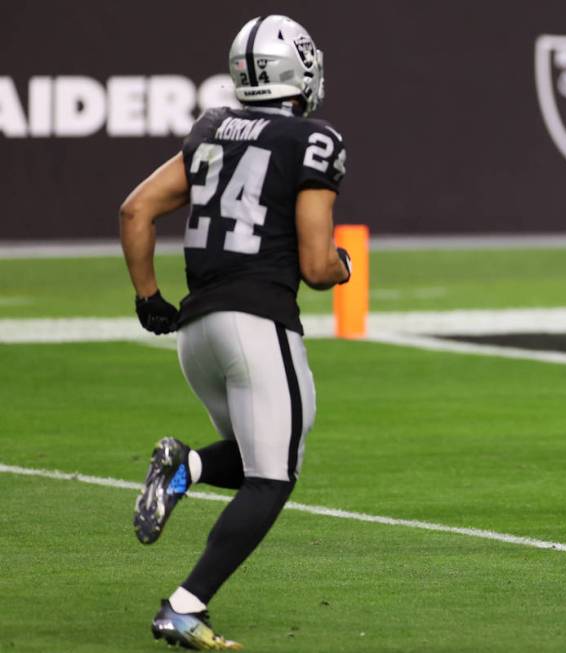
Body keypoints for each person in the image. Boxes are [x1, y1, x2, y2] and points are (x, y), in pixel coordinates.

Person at [120, 15, 351, 648]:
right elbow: (314, 264)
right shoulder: (313, 139)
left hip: (197, 332)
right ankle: (184, 606)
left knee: (258, 458)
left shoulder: (210, 129)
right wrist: (344, 266)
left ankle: (185, 467)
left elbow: (135, 210)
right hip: (258, 324)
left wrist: (150, 302)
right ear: (298, 69)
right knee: (273, 478)